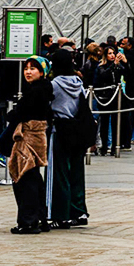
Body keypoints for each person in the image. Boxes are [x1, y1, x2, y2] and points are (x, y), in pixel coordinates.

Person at [5, 56, 53, 234]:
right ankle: (40, 218)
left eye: (33, 68)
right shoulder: (41, 89)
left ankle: (28, 221)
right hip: (37, 136)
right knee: (33, 177)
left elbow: (23, 113)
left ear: (42, 72)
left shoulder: (36, 91)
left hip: (28, 136)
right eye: (26, 68)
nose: (28, 71)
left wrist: (14, 115)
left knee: (24, 176)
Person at [47, 50, 91, 228]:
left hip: (60, 130)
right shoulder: (78, 82)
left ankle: (60, 213)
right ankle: (78, 210)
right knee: (77, 173)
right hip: (78, 129)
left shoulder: (54, 84)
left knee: (59, 173)